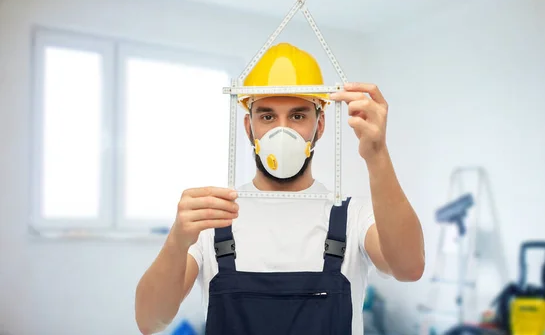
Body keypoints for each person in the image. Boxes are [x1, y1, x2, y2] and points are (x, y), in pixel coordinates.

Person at [135, 42, 425, 335]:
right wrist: (176, 241)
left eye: (298, 116)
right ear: (249, 127)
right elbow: (150, 321)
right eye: (267, 116)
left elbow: (409, 268)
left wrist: (377, 155)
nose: (282, 131)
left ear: (320, 125)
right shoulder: (215, 218)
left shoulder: (354, 216)